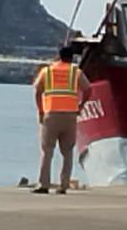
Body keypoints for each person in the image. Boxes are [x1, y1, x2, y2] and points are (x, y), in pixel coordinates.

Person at [32, 47, 91, 194]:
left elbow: (38, 91)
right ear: (72, 58)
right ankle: (63, 185)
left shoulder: (47, 71)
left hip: (51, 114)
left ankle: (43, 184)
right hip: (70, 115)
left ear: (58, 56)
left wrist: (40, 111)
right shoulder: (75, 73)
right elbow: (88, 89)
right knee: (67, 151)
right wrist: (81, 105)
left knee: (47, 151)